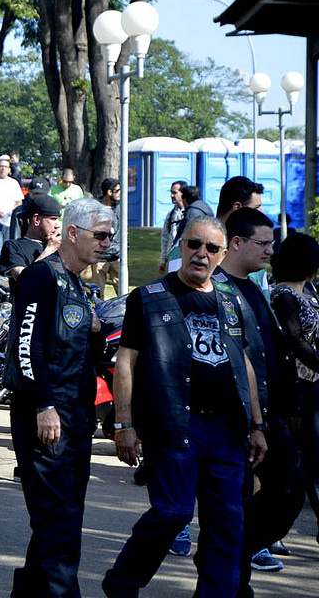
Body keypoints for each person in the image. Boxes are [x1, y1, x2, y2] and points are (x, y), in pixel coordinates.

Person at [102, 217, 267, 598]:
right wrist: (124, 423)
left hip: (227, 430)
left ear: (223, 254)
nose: (201, 254)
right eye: (194, 244)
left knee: (228, 523)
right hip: (176, 425)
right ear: (181, 246)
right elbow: (126, 360)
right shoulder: (149, 296)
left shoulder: (231, 299)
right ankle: (123, 583)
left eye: (212, 248)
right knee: (172, 513)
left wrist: (258, 424)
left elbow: (244, 364)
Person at [2, 197, 112, 597]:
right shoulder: (40, 277)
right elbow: (26, 348)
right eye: (99, 235)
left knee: (63, 516)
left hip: (77, 414)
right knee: (58, 519)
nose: (105, 244)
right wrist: (44, 405)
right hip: (45, 411)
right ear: (71, 232)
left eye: (109, 237)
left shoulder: (80, 284)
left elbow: (78, 352)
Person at [218, 208, 304, 585]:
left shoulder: (254, 287)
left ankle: (234, 555)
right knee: (234, 506)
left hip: (270, 414)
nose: (271, 251)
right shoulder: (216, 290)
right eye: (263, 243)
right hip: (238, 418)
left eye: (272, 243)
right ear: (237, 243)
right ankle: (228, 576)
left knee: (289, 489)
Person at [270, 233, 319, 554]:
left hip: (313, 384)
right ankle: (270, 531)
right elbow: (296, 340)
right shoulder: (283, 295)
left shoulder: (310, 292)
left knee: (312, 462)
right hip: (293, 389)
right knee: (299, 463)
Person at [0, 194, 62, 296]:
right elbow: (25, 280)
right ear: (36, 219)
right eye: (53, 219)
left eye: (58, 219)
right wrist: (49, 250)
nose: (58, 225)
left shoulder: (58, 247)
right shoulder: (13, 247)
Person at [88, 177, 121, 294]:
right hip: (99, 257)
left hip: (116, 256)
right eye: (117, 191)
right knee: (97, 293)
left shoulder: (120, 207)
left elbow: (124, 229)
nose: (120, 193)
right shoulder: (95, 207)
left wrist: (124, 249)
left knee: (122, 292)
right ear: (109, 192)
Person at [158, 180, 187, 275]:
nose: (171, 195)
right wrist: (163, 261)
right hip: (172, 257)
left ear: (183, 194)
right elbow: (165, 238)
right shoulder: (171, 215)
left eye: (174, 192)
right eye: (171, 192)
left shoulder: (190, 214)